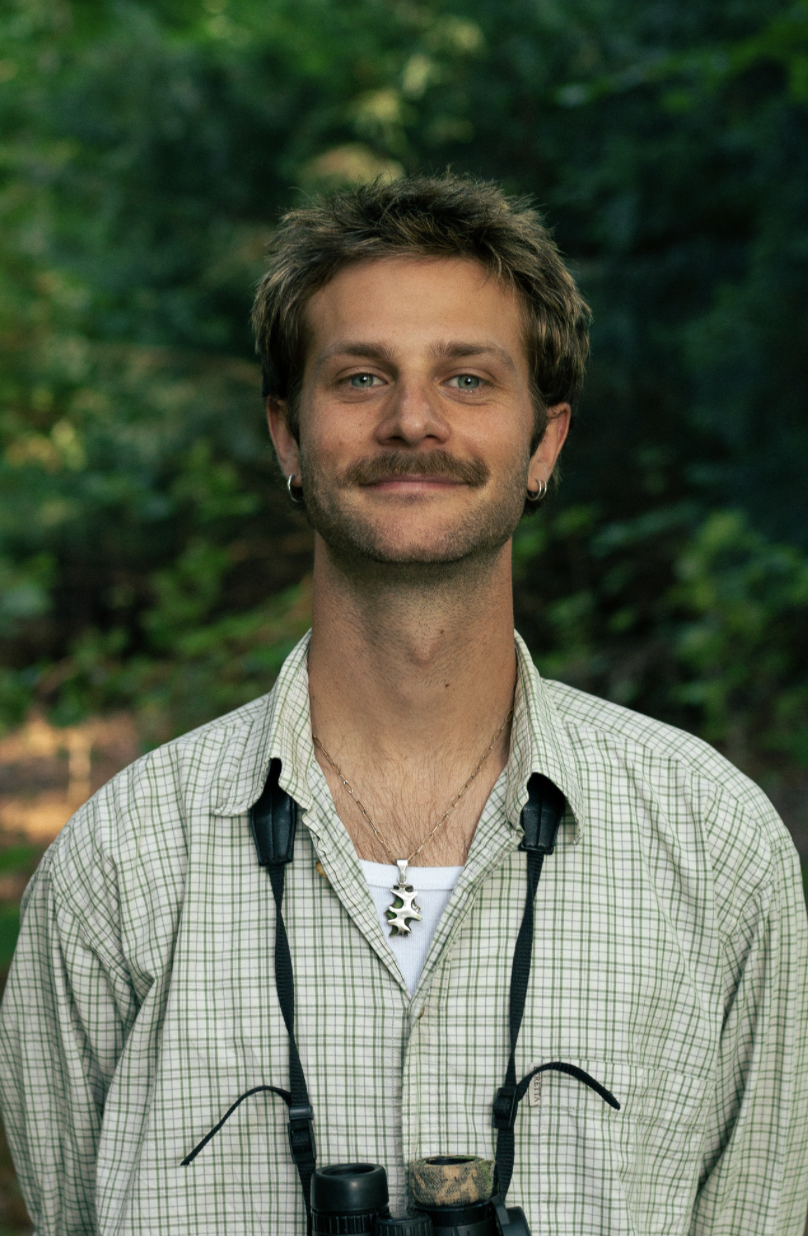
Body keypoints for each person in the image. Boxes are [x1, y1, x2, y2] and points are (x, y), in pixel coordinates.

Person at [1, 175, 807, 1236]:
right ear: (288, 438)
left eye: (468, 378)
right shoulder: (119, 866)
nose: (412, 421)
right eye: (361, 377)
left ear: (545, 442)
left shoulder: (717, 851)